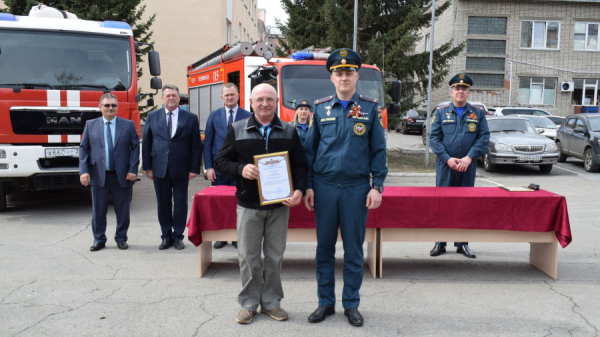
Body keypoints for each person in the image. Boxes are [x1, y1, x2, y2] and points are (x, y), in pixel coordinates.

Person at [303, 48, 387, 327]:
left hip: (356, 188)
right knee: (324, 249)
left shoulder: (370, 108)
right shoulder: (320, 108)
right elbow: (310, 152)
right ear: (332, 77)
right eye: (338, 72)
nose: (344, 76)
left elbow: (378, 151)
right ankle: (325, 302)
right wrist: (309, 186)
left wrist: (378, 186)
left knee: (353, 251)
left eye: (349, 72)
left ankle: (351, 304)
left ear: (356, 75)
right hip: (325, 188)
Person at [214, 83, 307, 325]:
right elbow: (221, 161)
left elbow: (299, 165)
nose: (265, 103)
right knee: (247, 256)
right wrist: (240, 169)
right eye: (260, 99)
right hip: (248, 205)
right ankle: (248, 304)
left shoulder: (289, 130)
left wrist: (299, 190)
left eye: (269, 99)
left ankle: (272, 303)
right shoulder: (237, 128)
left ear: (276, 102)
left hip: (279, 206)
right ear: (251, 102)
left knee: (275, 257)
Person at [428, 73, 490, 259]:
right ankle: (440, 243)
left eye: (464, 88)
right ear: (452, 91)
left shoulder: (477, 114)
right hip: (446, 166)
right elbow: (434, 139)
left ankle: (462, 243)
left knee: (465, 206)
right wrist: (447, 159)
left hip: (467, 166)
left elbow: (484, 138)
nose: (460, 91)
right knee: (443, 205)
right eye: (457, 88)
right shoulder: (441, 112)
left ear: (469, 91)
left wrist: (469, 158)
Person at [142, 84, 201, 250]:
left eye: (174, 95)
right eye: (167, 95)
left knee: (180, 203)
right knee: (163, 203)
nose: (171, 98)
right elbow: (146, 143)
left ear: (178, 98)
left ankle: (178, 236)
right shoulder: (153, 116)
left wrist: (194, 168)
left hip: (182, 169)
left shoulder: (190, 118)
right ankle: (166, 236)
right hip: (159, 168)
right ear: (162, 98)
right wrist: (148, 168)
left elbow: (196, 146)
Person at [79, 93, 139, 252]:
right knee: (98, 211)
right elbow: (84, 149)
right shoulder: (91, 125)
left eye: (113, 105)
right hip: (98, 175)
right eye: (107, 105)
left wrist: (133, 170)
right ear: (100, 108)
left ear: (117, 107)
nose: (110, 108)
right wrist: (83, 171)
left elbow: (135, 148)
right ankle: (99, 239)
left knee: (123, 211)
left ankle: (121, 238)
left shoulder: (128, 125)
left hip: (122, 176)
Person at [204, 83, 252, 249]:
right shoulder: (214, 115)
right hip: (219, 167)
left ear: (238, 95)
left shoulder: (247, 115)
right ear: (222, 97)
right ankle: (221, 236)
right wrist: (208, 167)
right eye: (227, 95)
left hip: (240, 168)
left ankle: (237, 236)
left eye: (232, 94)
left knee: (239, 203)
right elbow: (208, 142)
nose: (230, 97)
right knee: (220, 203)